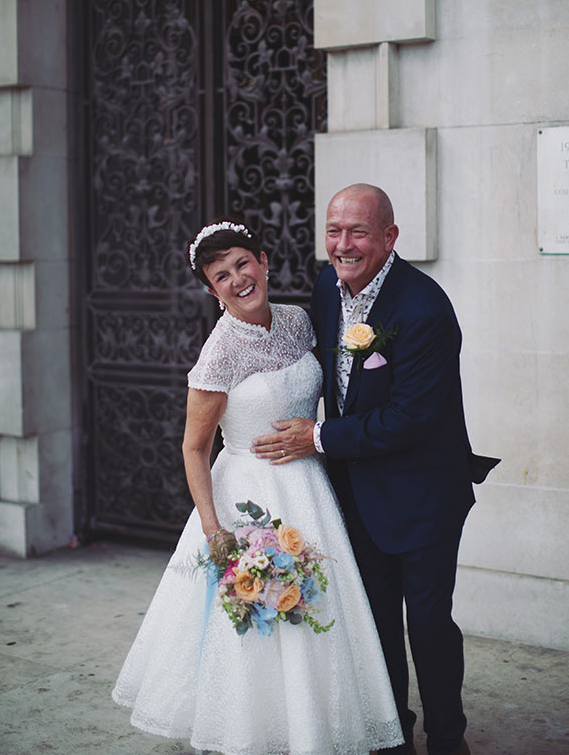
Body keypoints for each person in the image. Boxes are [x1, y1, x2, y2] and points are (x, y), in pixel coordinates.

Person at [112, 219, 404, 754]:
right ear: (210, 289)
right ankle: (259, 734)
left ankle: (318, 728)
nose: (237, 279)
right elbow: (194, 448)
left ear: (263, 260)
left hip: (312, 490)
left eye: (243, 263)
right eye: (221, 275)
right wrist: (214, 529)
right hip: (248, 499)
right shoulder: (220, 352)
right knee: (264, 620)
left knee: (320, 614)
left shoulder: (298, 321)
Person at [252, 185, 499, 755]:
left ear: (389, 237)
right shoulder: (325, 288)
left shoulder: (425, 309)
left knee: (430, 626)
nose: (344, 244)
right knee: (376, 622)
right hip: (357, 492)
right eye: (334, 231)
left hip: (423, 495)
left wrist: (315, 438)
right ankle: (393, 737)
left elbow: (409, 417)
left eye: (358, 232)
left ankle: (447, 738)